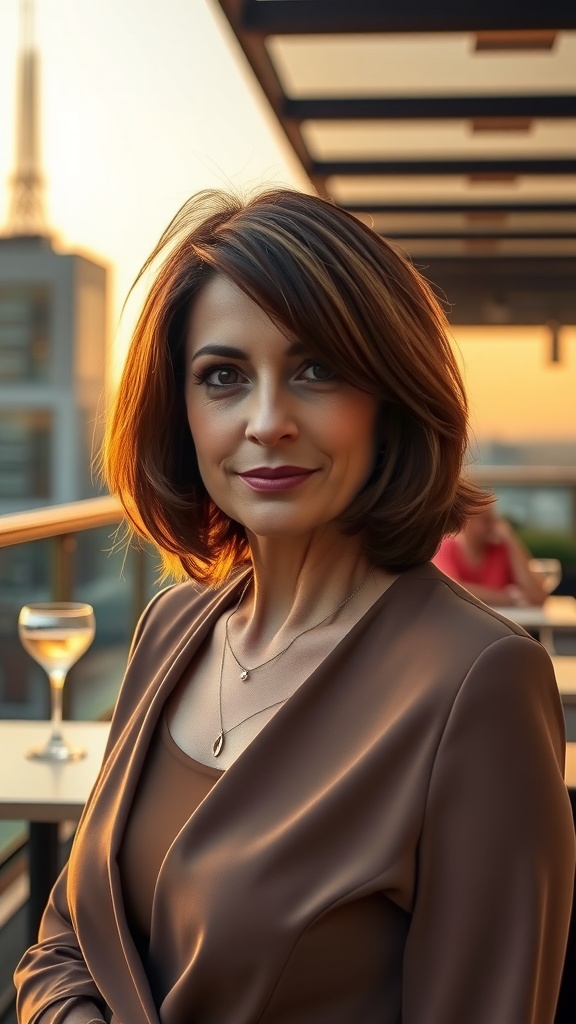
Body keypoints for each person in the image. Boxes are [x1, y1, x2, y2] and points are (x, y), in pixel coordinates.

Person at [15, 189, 575, 1024]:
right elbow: (67, 934)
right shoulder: (171, 627)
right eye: (224, 377)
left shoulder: (479, 684)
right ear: (184, 410)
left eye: (317, 370)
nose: (267, 421)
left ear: (389, 395)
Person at [434, 504, 548, 607]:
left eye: (496, 520)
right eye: (487, 520)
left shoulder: (501, 550)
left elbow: (538, 597)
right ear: (467, 521)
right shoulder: (446, 547)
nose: (494, 526)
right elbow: (449, 590)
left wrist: (512, 540)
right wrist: (506, 599)